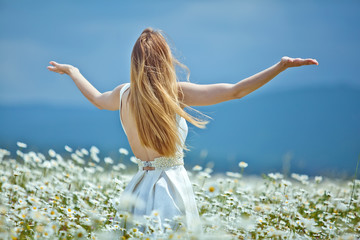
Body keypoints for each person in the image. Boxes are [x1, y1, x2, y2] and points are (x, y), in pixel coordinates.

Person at [47, 27, 318, 235]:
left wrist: (73, 71)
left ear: (134, 62)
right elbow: (236, 91)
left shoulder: (123, 94)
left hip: (138, 187)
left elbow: (95, 98)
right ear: (165, 60)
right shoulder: (174, 93)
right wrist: (280, 67)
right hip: (171, 188)